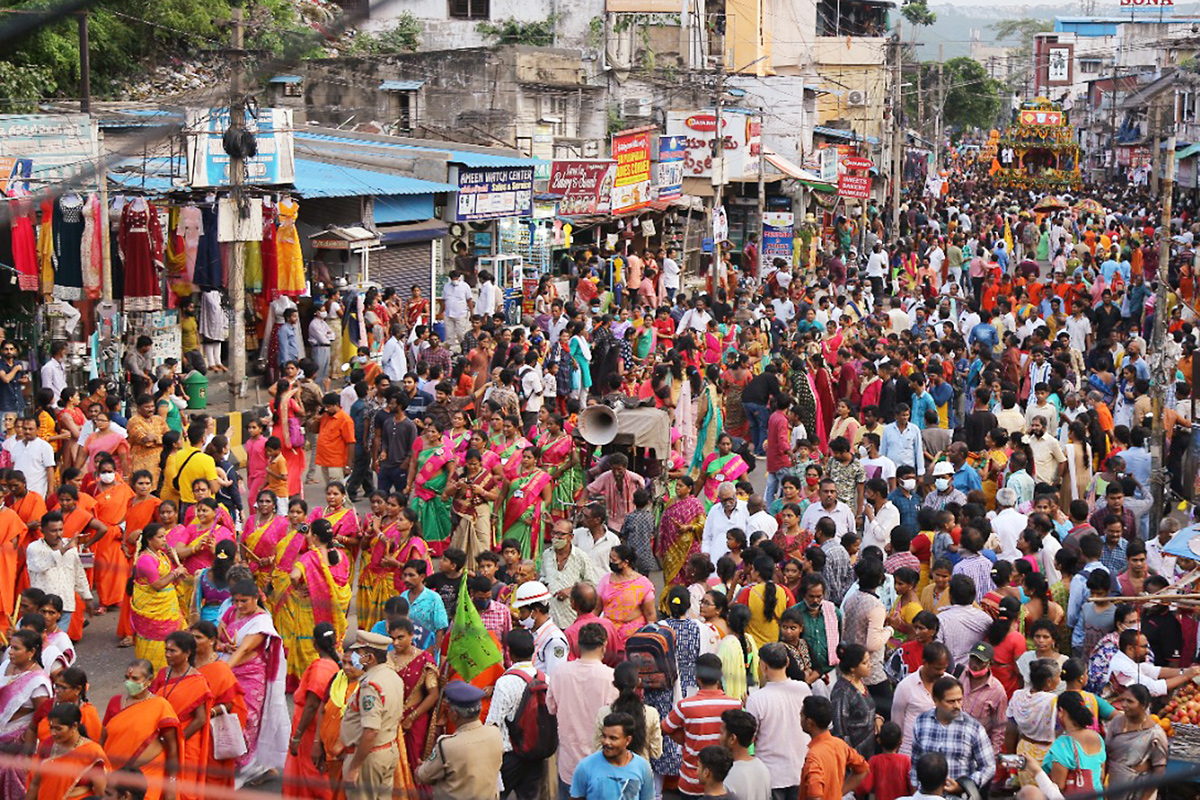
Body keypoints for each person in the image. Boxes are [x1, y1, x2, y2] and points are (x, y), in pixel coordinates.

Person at [548, 622, 619, 798]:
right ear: (604, 646)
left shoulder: (560, 672)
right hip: (602, 763)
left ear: (577, 645)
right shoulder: (611, 677)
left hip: (569, 764)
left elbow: (551, 708)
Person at [662, 653, 743, 798]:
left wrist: (687, 740)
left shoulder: (685, 705)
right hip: (723, 782)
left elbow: (665, 728)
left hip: (691, 781)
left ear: (697, 677)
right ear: (720, 676)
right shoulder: (735, 705)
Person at [100, 658, 180, 800]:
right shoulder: (115, 702)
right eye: (127, 677)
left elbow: (173, 748)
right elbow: (103, 738)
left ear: (149, 681)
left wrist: (172, 784)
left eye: (135, 679)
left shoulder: (160, 705)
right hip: (114, 775)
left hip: (148, 773)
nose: (129, 682)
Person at [340, 630, 405, 800]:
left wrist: (355, 767)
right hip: (388, 749)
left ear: (370, 658)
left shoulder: (371, 684)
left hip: (370, 756)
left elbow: (371, 730)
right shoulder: (392, 676)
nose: (355, 657)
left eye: (359, 653)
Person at [415, 680, 504, 800]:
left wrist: (423, 767)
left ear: (455, 714)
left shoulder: (447, 745)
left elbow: (423, 776)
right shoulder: (495, 733)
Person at [149, 631, 212, 800]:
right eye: (166, 650)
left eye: (173, 651)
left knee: (184, 788)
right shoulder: (163, 674)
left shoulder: (198, 681)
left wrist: (178, 739)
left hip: (187, 741)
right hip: (162, 737)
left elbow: (201, 718)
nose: (167, 655)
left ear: (187, 653)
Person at [282, 621, 340, 800]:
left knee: (311, 772)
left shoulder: (320, 668)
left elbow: (312, 706)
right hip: (320, 725)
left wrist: (297, 737)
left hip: (310, 729)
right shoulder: (335, 664)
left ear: (314, 643)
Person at [746, 642, 812, 799]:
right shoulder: (803, 689)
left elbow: (749, 736)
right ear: (788, 662)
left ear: (763, 666)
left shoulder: (756, 699)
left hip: (771, 775)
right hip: (800, 769)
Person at [908, 677, 994, 794]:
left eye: (959, 700)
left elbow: (989, 766)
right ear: (936, 700)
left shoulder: (973, 727)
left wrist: (964, 785)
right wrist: (915, 791)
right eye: (951, 701)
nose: (957, 706)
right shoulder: (922, 722)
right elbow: (915, 761)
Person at [189, 621, 246, 792]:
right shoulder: (184, 664)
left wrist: (207, 714)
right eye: (191, 636)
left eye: (198, 637)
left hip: (212, 734)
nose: (193, 640)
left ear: (212, 641)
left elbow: (232, 704)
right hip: (189, 730)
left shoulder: (221, 670)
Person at [129, 524, 187, 673]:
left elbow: (166, 577)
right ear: (149, 540)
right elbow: (157, 584)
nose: (164, 540)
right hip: (153, 609)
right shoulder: (146, 559)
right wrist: (175, 573)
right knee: (154, 644)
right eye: (160, 537)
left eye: (164, 536)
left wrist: (178, 574)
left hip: (167, 606)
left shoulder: (161, 555)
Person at [27, 703, 111, 800]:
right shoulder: (48, 744)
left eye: (58, 728)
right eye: (51, 727)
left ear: (74, 726)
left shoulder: (92, 752)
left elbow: (101, 791)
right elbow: (35, 784)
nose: (53, 733)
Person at [570, 712, 655, 800]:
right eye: (604, 736)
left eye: (613, 738)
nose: (606, 742)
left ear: (628, 740)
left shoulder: (643, 767)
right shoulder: (585, 766)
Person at [799, 695, 870, 800]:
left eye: (802, 715)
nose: (800, 718)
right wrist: (839, 793)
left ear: (809, 723)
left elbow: (815, 795)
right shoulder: (839, 745)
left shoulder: (814, 756)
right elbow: (863, 769)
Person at [1105, 684, 1169, 800]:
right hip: (1114, 787)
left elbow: (1159, 770)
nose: (1124, 705)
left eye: (1130, 701)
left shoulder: (1155, 734)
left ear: (1143, 705)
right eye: (1123, 700)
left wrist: (1145, 797)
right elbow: (1106, 753)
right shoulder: (1116, 723)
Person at [1042, 690, 1105, 794]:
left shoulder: (1063, 744)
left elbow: (1058, 785)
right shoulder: (1097, 738)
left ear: (1061, 712)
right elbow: (1101, 776)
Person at [830, 642, 879, 756]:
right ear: (853, 668)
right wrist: (852, 759)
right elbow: (840, 730)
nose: (869, 665)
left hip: (868, 752)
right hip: (853, 757)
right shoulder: (842, 692)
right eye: (864, 663)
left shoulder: (860, 682)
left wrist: (877, 718)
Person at [720, 709, 771, 800]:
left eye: (722, 733)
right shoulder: (763, 768)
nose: (719, 738)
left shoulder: (729, 776)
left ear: (732, 739)